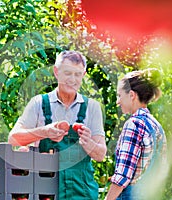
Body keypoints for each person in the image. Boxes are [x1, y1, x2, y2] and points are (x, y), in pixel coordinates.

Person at [8, 50, 107, 199]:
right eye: (67, 73)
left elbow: (100, 154)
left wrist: (89, 143)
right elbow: (13, 139)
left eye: (77, 74)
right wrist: (44, 132)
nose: (72, 79)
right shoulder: (39, 103)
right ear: (56, 72)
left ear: (84, 75)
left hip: (82, 192)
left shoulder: (92, 107)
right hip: (46, 191)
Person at [105, 68, 168, 200]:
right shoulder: (156, 126)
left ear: (132, 95)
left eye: (119, 95)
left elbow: (122, 176)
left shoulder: (134, 125)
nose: (117, 101)